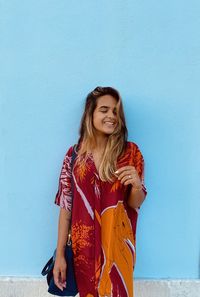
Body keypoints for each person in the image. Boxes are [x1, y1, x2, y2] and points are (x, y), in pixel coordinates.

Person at [53, 86, 147, 297]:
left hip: (117, 249)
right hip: (82, 251)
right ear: (91, 114)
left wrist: (137, 185)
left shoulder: (130, 153)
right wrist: (60, 254)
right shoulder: (74, 156)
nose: (111, 116)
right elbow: (66, 208)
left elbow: (134, 203)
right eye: (104, 110)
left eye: (115, 111)